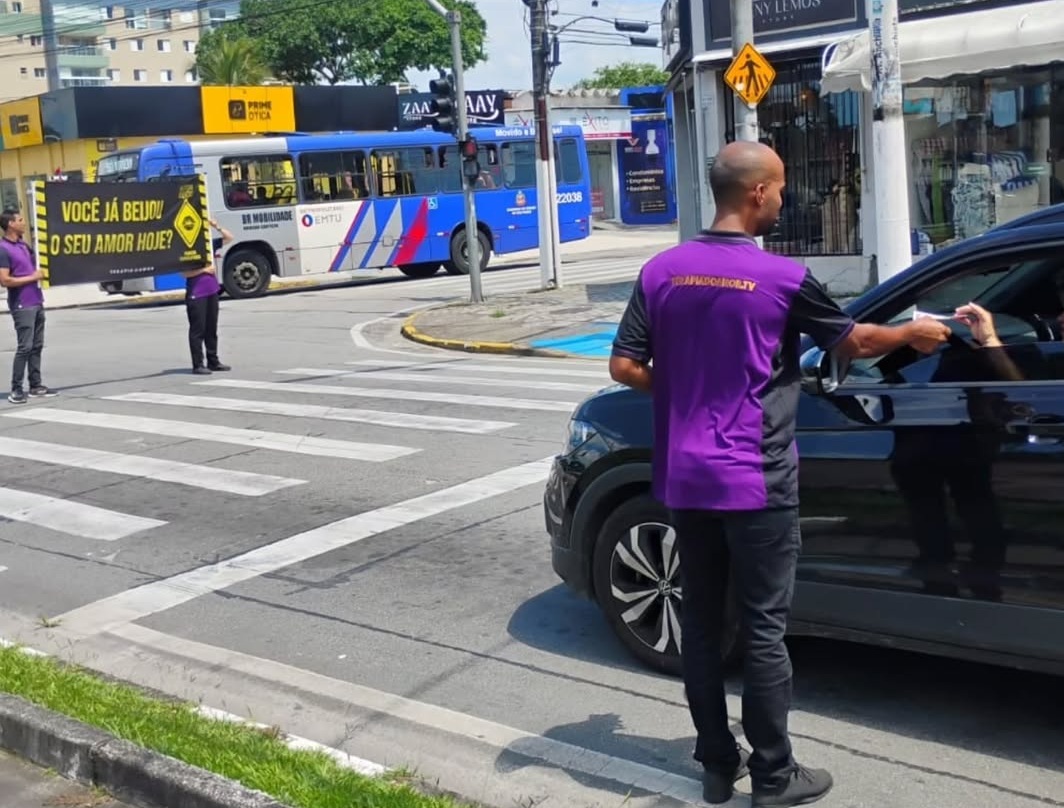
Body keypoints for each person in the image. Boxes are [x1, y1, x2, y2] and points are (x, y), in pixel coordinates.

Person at [608, 141, 952, 808]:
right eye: (782, 187)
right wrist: (912, 335)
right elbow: (850, 341)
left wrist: (682, 396)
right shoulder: (781, 279)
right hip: (755, 478)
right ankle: (774, 776)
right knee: (763, 629)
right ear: (757, 192)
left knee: (702, 624)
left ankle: (716, 765)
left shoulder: (662, 271)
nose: (784, 200)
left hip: (686, 477)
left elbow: (623, 367)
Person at [1, 209, 57, 404]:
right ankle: (16, 389)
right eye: (20, 220)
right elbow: (5, 280)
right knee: (25, 347)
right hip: (22, 304)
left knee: (37, 345)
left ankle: (35, 385)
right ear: (10, 224)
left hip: (36, 300)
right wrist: (33, 277)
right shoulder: (3, 249)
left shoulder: (24, 246)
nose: (24, 223)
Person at [183, 217, 233, 375]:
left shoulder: (208, 245)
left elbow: (229, 238)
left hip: (212, 291)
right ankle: (198, 364)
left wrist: (216, 226)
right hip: (196, 293)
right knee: (198, 329)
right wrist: (204, 270)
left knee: (212, 328)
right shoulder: (187, 249)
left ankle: (213, 361)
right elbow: (184, 273)